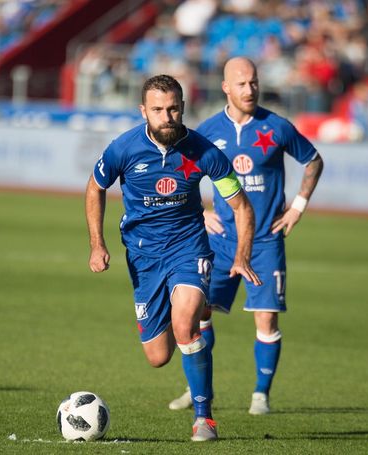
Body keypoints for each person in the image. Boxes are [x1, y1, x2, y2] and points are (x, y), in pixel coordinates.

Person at [85, 74, 261, 441]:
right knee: (158, 356)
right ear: (143, 111)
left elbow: (241, 206)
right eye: (158, 110)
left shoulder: (204, 151)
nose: (167, 116)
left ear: (183, 107)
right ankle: (191, 312)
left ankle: (204, 418)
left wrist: (242, 255)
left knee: (186, 326)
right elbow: (95, 187)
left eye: (173, 108)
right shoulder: (124, 148)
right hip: (143, 257)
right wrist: (97, 243)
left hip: (189, 248)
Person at [168, 57, 323, 415]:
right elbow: (179, 174)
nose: (249, 89)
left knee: (266, 319)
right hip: (221, 242)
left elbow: (314, 161)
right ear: (226, 87)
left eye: (253, 82)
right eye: (241, 84)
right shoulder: (207, 130)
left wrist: (297, 207)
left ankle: (260, 396)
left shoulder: (277, 127)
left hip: (266, 241)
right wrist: (199, 211)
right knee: (198, 314)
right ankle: (198, 389)